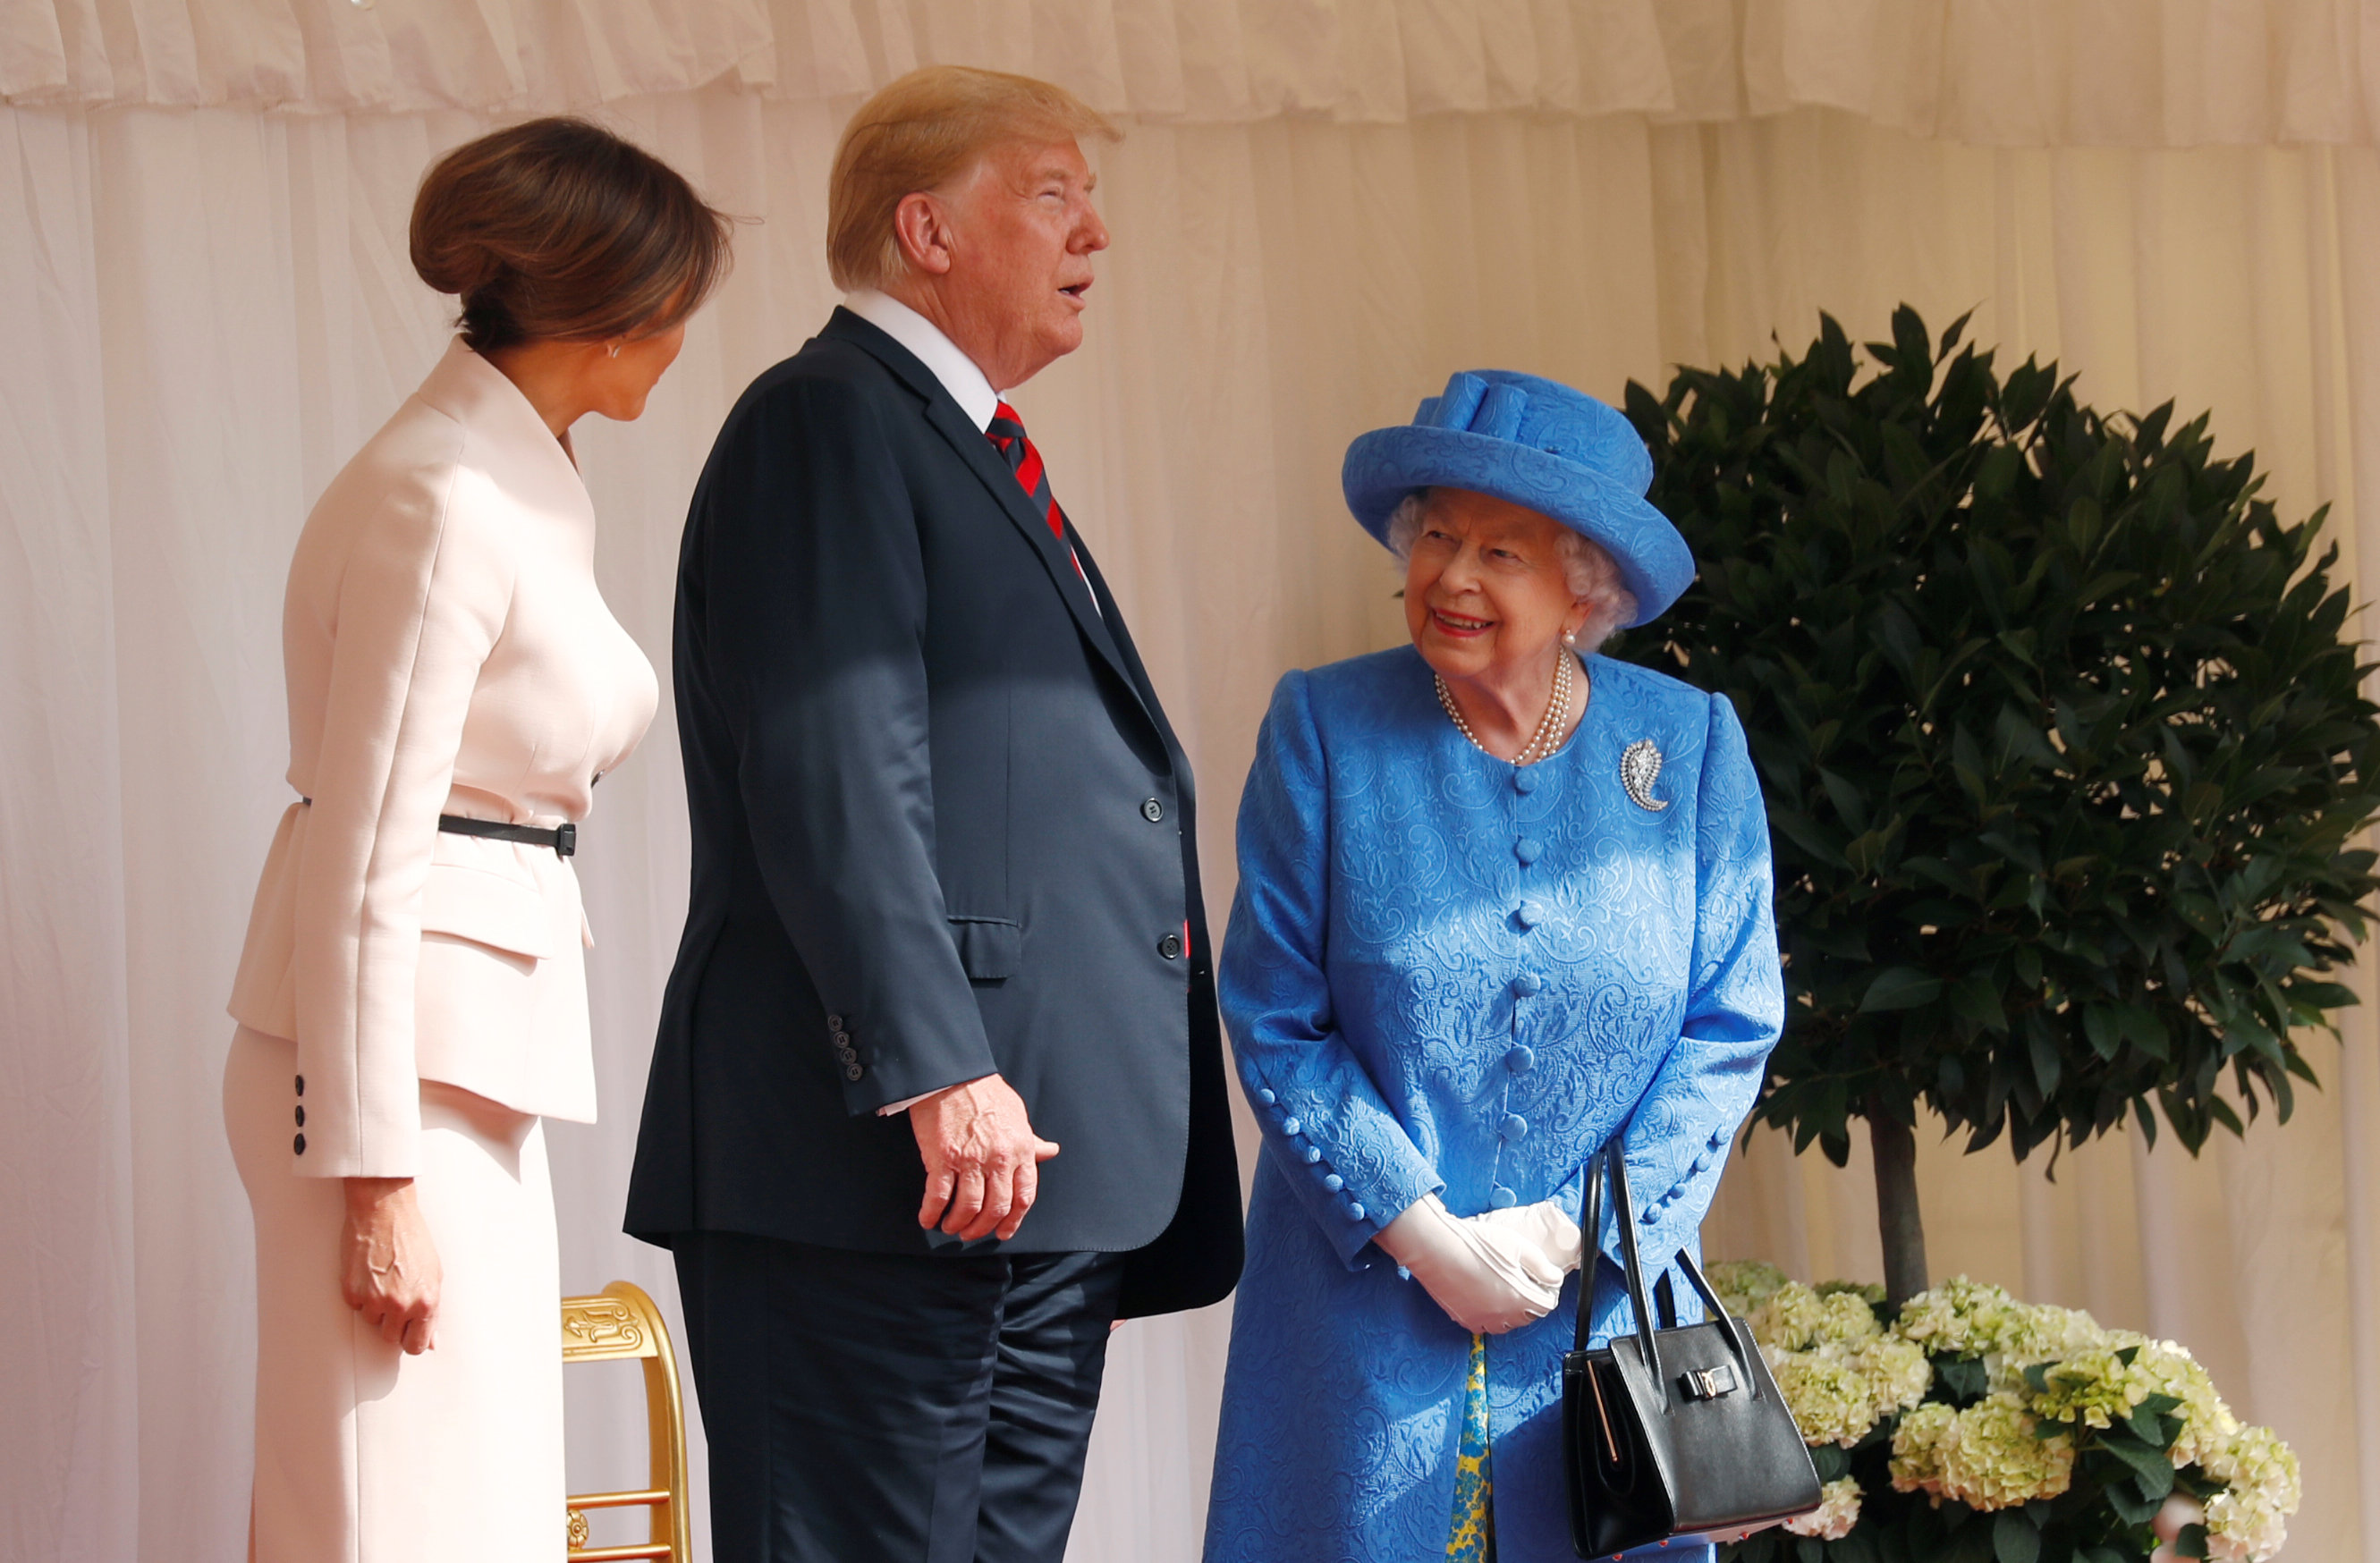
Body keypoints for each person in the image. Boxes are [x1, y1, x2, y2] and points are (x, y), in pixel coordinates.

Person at [623, 64, 1244, 1563]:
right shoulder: (825, 420)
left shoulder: (971, 448)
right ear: (927, 229)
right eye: (1051, 190)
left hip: (1039, 1180)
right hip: (886, 1166)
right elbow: (834, 770)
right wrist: (937, 1070)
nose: (1094, 226)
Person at [221, 119, 730, 1562]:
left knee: (445, 1509)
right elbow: (366, 846)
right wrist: (373, 1180)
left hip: (452, 1060)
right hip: (388, 1087)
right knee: (398, 1517)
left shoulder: (514, 478)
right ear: (619, 315)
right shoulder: (445, 496)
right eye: (680, 303)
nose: (687, 335)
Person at [1202, 370, 1785, 1563]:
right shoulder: (1325, 729)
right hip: (1359, 1302)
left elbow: (1728, 1026)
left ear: (1584, 589)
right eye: (1435, 537)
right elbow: (1273, 1013)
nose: (1451, 576)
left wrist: (1567, 1240)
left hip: (1597, 1318)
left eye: (1500, 553)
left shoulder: (1686, 745)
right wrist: (1423, 1235)